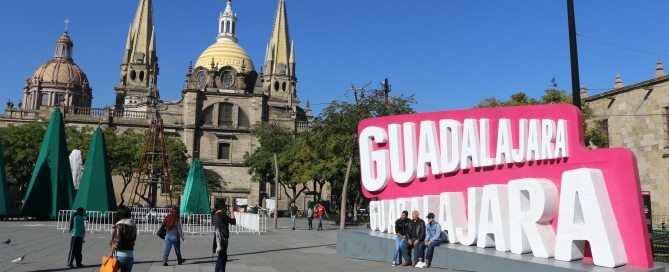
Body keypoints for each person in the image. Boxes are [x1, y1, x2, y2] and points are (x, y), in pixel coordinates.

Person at [110, 205, 137, 272]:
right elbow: (134, 239)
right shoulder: (133, 225)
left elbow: (117, 243)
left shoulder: (119, 225)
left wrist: (111, 252)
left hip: (119, 256)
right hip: (130, 256)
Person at [212, 199, 236, 272]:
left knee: (223, 257)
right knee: (221, 257)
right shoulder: (222, 215)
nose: (226, 207)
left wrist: (225, 210)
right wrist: (231, 211)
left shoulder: (214, 214)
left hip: (217, 237)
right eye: (225, 206)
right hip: (223, 238)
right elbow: (233, 222)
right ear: (222, 206)